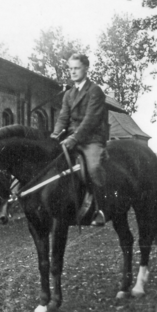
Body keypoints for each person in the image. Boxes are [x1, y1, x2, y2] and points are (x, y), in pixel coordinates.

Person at [50, 54, 109, 226]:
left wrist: (74, 138)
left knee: (93, 167)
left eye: (77, 68)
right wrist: (55, 134)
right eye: (71, 68)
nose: (73, 72)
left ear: (86, 69)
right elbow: (63, 118)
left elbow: (90, 120)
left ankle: (101, 209)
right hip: (71, 137)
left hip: (91, 139)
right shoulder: (68, 94)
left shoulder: (95, 91)